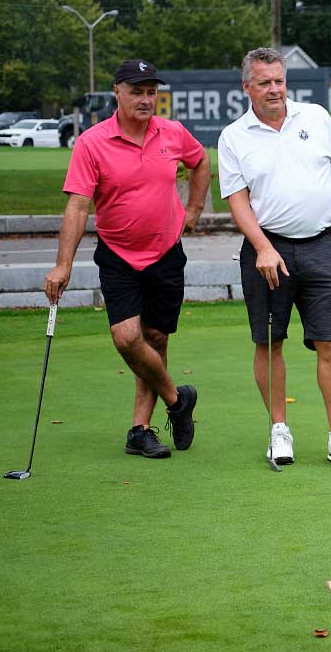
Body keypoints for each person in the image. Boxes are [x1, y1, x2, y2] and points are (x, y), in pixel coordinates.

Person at [217, 47, 331, 469]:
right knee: (269, 342)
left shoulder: (315, 118)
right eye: (264, 83)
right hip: (267, 252)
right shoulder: (233, 137)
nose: (274, 89)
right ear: (247, 87)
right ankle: (279, 429)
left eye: (279, 80)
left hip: (320, 247)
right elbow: (238, 202)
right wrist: (262, 247)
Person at [44, 59, 208, 459]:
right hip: (118, 255)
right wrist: (63, 264)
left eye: (152, 92)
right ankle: (176, 399)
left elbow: (200, 161)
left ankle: (141, 430)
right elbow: (78, 207)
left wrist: (195, 209)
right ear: (117, 92)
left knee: (156, 338)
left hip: (166, 253)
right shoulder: (92, 142)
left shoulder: (172, 133)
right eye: (137, 91)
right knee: (126, 337)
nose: (146, 99)